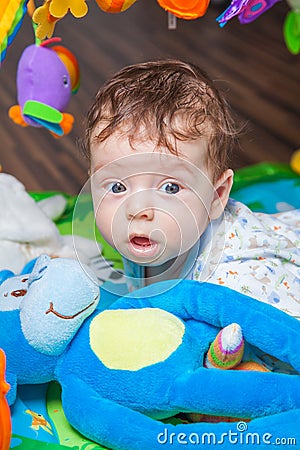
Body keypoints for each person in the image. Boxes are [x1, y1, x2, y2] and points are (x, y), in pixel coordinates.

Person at [82, 59, 300, 321]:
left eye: (170, 187)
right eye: (118, 187)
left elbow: (286, 342)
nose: (137, 209)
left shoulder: (238, 282)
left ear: (216, 196)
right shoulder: (147, 237)